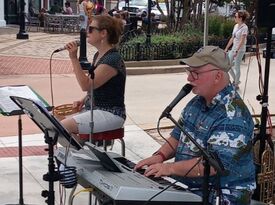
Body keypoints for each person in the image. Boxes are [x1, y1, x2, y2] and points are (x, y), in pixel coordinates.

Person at [134, 46, 256, 205]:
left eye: (196, 73)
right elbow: (178, 136)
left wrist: (169, 168)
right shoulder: (197, 101)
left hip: (222, 195)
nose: (189, 79)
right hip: (189, 188)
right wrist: (159, 156)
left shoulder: (233, 115)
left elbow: (213, 165)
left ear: (218, 76)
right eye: (189, 71)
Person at [61, 15, 126, 145]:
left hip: (110, 112)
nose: (86, 32)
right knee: (55, 118)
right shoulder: (99, 55)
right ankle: (81, 153)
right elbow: (95, 86)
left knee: (63, 126)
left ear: (103, 33)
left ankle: (85, 155)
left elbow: (86, 85)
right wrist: (84, 100)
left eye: (90, 29)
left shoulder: (112, 59)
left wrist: (74, 58)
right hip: (95, 108)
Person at [224, 10, 250, 90]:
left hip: (240, 49)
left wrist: (236, 51)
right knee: (227, 65)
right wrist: (226, 48)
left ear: (240, 18)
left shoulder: (245, 27)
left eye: (235, 16)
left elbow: (242, 40)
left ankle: (235, 84)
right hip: (234, 48)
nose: (234, 18)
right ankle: (236, 80)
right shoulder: (235, 26)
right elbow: (232, 38)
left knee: (237, 66)